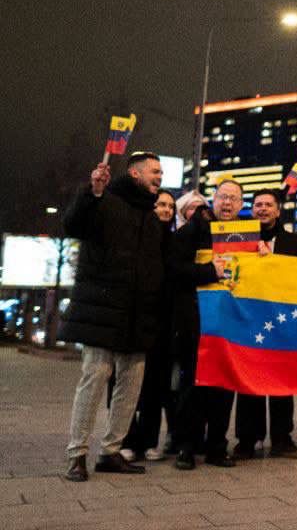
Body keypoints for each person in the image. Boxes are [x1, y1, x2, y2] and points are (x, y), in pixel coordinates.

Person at [60, 153, 168, 481]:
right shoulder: (105, 202)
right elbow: (73, 225)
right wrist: (91, 191)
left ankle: (111, 451)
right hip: (103, 311)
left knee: (130, 385)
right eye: (155, 171)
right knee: (95, 378)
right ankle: (77, 454)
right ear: (135, 173)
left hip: (138, 314)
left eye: (161, 172)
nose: (160, 176)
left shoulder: (151, 217)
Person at [233, 189, 297, 460]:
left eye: (268, 205)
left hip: (282, 319)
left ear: (278, 211)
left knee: (281, 379)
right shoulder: (239, 238)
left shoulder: (294, 242)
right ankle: (246, 439)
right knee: (248, 379)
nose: (262, 209)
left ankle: (282, 437)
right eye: (258, 204)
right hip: (249, 318)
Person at [171, 179, 238, 471]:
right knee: (192, 384)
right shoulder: (193, 229)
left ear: (241, 204)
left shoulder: (247, 234)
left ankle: (217, 446)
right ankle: (186, 446)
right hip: (197, 320)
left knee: (225, 386)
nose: (227, 203)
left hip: (231, 322)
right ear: (213, 199)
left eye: (234, 199)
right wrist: (211, 271)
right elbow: (175, 269)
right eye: (223, 197)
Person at [121, 189, 179, 462]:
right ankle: (127, 440)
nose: (166, 209)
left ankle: (149, 441)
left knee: (156, 387)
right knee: (128, 385)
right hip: (136, 320)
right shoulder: (136, 236)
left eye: (170, 205)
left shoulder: (177, 241)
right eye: (161, 204)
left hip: (163, 325)